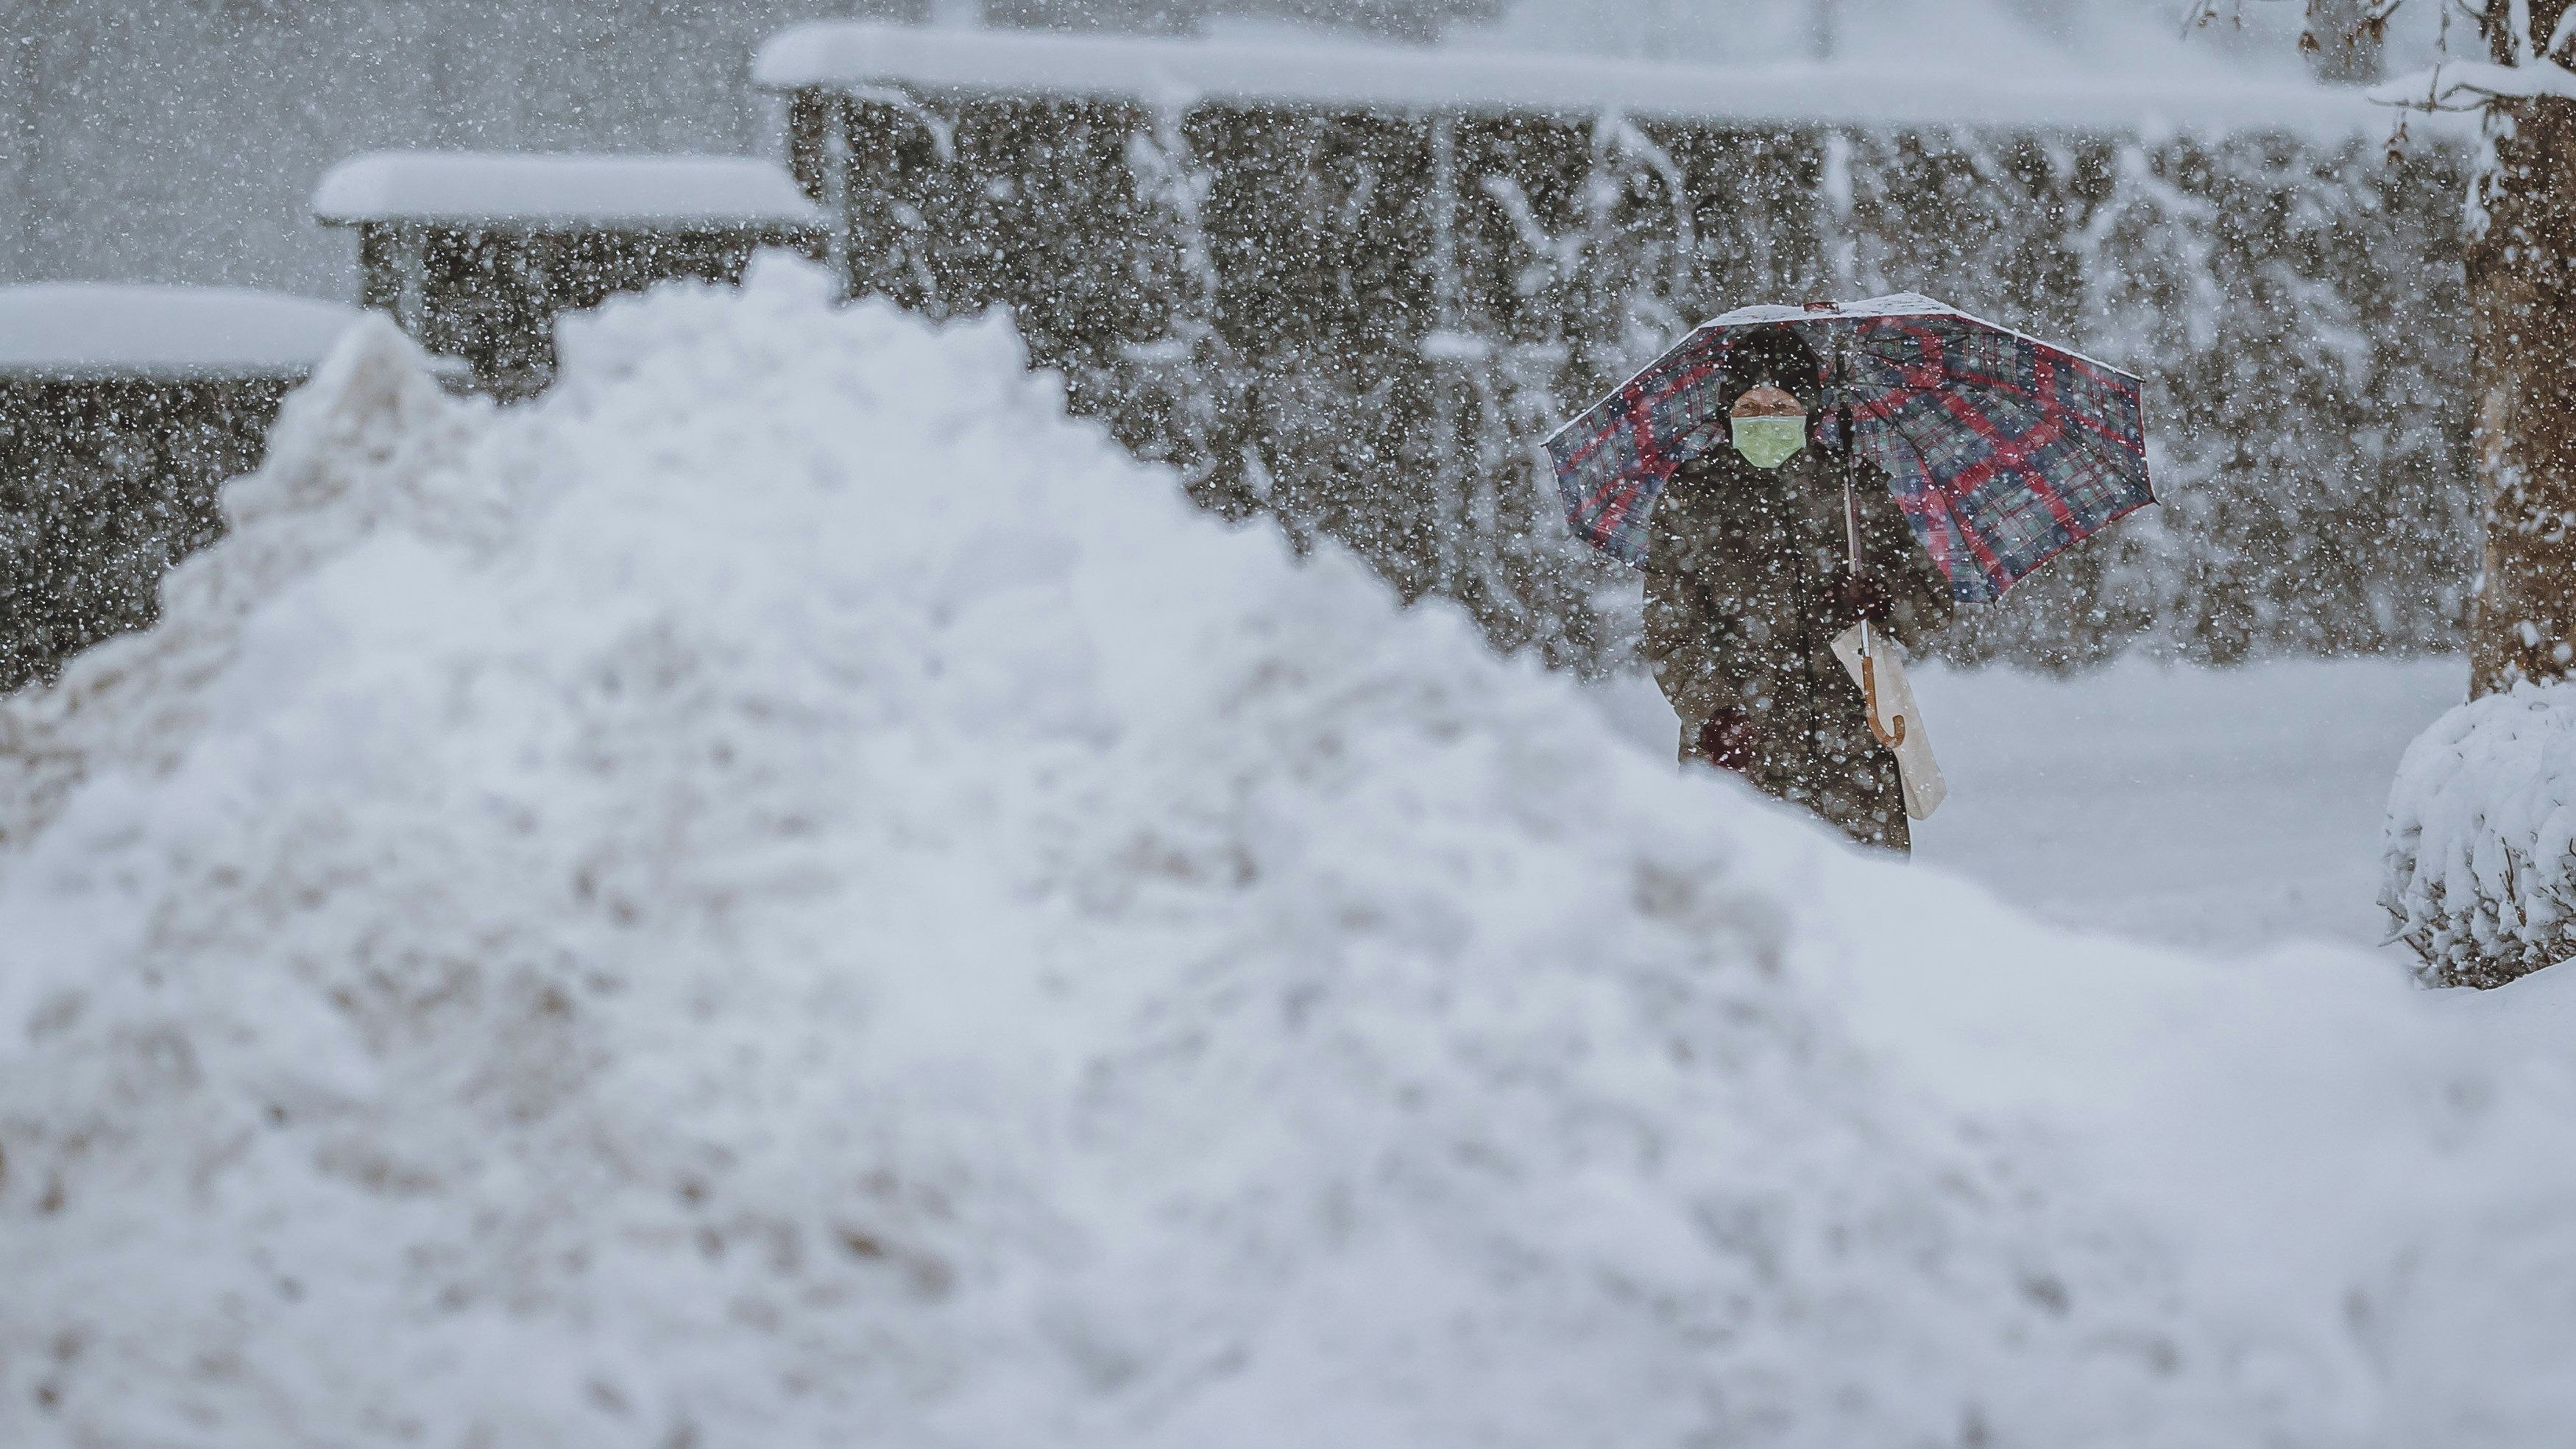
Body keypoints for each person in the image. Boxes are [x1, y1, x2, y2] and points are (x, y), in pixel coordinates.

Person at [1642, 324, 1955, 854]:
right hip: (1739, 760)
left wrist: (1879, 598)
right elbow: (1670, 631)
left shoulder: (1855, 489)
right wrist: (1715, 712)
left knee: (1861, 922)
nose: (1766, 418)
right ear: (1727, 414)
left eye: (1782, 405)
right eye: (1749, 406)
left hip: (1853, 765)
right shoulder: (1693, 497)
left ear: (1810, 412)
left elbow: (1929, 607)